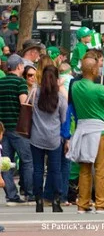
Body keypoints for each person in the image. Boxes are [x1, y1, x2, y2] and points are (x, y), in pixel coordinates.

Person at [67, 51, 104, 213]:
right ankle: (101, 203)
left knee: (85, 169)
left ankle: (83, 204)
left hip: (82, 130)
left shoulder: (76, 86)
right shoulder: (98, 90)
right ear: (93, 71)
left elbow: (93, 91)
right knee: (101, 169)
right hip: (99, 132)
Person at [30, 65, 66, 213]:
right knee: (55, 170)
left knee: (37, 170)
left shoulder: (35, 93)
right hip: (54, 138)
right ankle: (56, 201)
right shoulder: (60, 97)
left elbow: (27, 107)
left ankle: (38, 200)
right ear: (57, 79)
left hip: (36, 136)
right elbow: (64, 119)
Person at [0, 54, 32, 204]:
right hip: (18, 128)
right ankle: (29, 192)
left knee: (6, 162)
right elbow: (24, 103)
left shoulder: (1, 82)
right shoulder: (20, 83)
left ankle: (11, 195)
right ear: (19, 67)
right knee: (26, 160)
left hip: (3, 128)